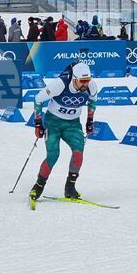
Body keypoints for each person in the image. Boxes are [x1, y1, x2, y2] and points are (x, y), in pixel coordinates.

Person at [29, 62, 99, 203]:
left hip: (72, 124)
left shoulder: (91, 86)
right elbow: (38, 99)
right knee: (53, 155)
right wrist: (38, 123)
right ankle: (38, 186)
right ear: (74, 79)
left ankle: (70, 188)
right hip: (53, 123)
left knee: (78, 153)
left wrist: (90, 120)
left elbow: (92, 102)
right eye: (82, 81)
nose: (85, 84)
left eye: (87, 80)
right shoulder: (60, 84)